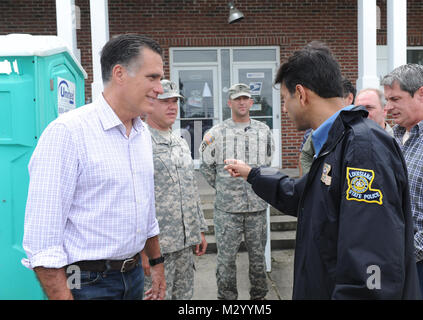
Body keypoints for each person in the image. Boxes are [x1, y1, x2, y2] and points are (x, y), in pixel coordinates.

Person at [224, 41, 421, 299]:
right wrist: (253, 174)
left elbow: (370, 268)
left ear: (302, 94)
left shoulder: (362, 148)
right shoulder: (336, 142)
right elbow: (301, 195)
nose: (284, 109)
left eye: (285, 100)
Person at [22, 34, 166, 300]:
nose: (160, 88)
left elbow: (146, 213)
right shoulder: (68, 133)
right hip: (87, 284)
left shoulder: (142, 133)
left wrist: (156, 265)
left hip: (133, 276)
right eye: (152, 77)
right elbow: (42, 243)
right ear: (120, 73)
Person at [199, 83, 275, 300]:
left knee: (259, 260)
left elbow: (268, 165)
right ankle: (227, 299)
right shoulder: (216, 133)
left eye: (245, 98)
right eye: (237, 99)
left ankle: (259, 299)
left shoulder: (263, 131)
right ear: (229, 103)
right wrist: (224, 187)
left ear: (251, 103)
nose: (242, 102)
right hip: (227, 211)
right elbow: (206, 166)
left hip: (257, 208)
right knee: (225, 262)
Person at [381, 64, 423, 299]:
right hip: (398, 258)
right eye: (387, 99)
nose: (388, 107)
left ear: (422, 94)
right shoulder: (396, 136)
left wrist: (402, 253)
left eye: (395, 99)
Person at [140, 79, 208, 300]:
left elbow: (190, 188)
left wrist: (199, 229)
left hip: (184, 244)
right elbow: (134, 198)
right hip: (157, 249)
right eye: (165, 101)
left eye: (175, 102)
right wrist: (141, 252)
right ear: (150, 104)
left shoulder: (180, 141)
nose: (172, 106)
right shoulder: (139, 141)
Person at [299, 77, 356, 177]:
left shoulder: (362, 128)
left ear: (350, 98)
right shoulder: (320, 127)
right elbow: (305, 156)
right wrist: (311, 182)